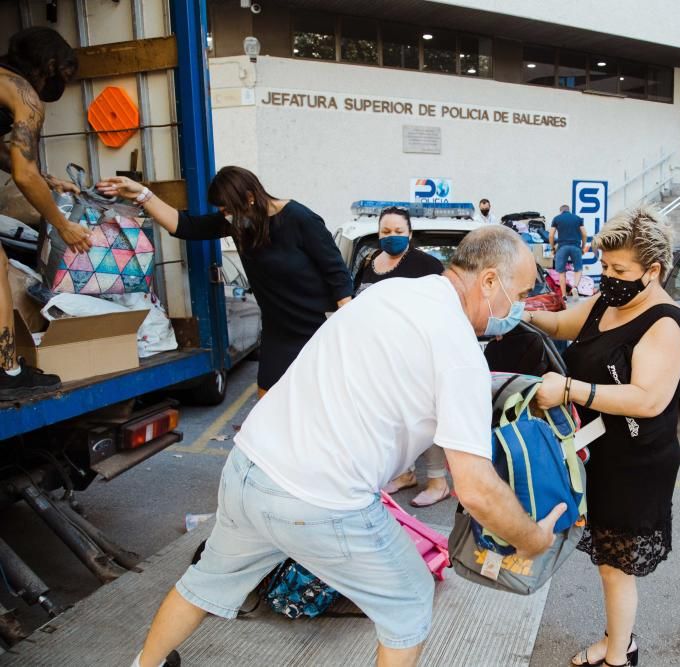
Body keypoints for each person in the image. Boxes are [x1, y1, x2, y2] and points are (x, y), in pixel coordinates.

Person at [130, 226, 565, 667]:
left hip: (251, 467)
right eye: (522, 292)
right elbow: (476, 489)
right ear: (489, 281)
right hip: (321, 501)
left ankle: (144, 664)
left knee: (207, 581)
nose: (522, 307)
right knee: (410, 599)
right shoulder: (459, 351)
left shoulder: (390, 292)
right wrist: (531, 540)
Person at [525, 206, 680, 667]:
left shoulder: (664, 323)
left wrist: (571, 389)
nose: (609, 277)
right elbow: (562, 325)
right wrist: (520, 315)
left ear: (653, 270)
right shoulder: (607, 302)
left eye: (620, 270)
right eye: (606, 267)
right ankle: (617, 639)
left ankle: (618, 657)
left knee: (617, 567)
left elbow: (646, 400)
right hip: (599, 451)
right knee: (607, 561)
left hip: (637, 461)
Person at [97, 167, 353, 397]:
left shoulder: (300, 218)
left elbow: (336, 272)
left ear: (250, 197)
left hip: (318, 326)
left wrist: (345, 324)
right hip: (278, 331)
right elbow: (185, 226)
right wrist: (141, 193)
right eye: (222, 212)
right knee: (268, 398)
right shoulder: (241, 223)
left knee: (321, 397)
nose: (226, 217)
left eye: (228, 210)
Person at [0, 27, 91, 400]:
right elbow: (23, 173)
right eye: (65, 75)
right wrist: (63, 224)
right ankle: (7, 372)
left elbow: (15, 163)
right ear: (50, 65)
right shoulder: (26, 96)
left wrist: (46, 178)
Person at [355, 206, 451, 508]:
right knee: (392, 420)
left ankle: (438, 482)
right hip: (378, 358)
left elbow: (447, 305)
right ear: (378, 233)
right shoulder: (371, 263)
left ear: (409, 234)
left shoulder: (426, 265)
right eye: (386, 232)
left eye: (398, 232)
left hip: (414, 357)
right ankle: (405, 473)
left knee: (422, 419)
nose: (392, 237)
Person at [549, 204, 587, 299]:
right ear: (569, 210)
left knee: (561, 272)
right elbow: (584, 234)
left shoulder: (557, 218)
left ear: (561, 211)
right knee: (578, 269)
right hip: (575, 247)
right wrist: (582, 247)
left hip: (562, 247)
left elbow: (551, 235)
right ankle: (575, 287)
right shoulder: (577, 218)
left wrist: (552, 248)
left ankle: (564, 295)